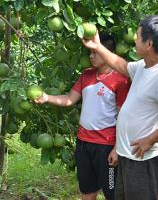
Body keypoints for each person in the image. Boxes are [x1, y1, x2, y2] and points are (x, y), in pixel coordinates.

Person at [81, 15, 158, 200]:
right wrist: (97, 46)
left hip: (144, 159)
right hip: (128, 155)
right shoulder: (145, 66)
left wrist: (150, 139)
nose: (134, 38)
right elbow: (121, 66)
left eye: (138, 35)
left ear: (149, 44)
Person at [35, 34, 130, 200]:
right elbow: (70, 99)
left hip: (106, 146)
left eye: (95, 52)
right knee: (87, 189)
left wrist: (117, 148)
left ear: (108, 52)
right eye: (90, 53)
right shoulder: (86, 75)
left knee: (111, 192)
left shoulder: (120, 81)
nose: (91, 56)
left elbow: (124, 116)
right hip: (84, 143)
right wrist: (47, 97)